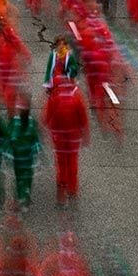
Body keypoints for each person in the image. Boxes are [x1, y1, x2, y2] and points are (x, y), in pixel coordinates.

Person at [44, 76, 90, 205]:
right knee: (72, 161)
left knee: (61, 163)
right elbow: (83, 119)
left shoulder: (54, 97)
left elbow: (47, 117)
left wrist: (46, 131)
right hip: (73, 138)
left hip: (58, 138)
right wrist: (85, 134)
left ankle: (62, 186)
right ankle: (72, 189)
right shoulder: (77, 98)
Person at [6, 102, 41, 209]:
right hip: (28, 158)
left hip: (17, 158)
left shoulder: (15, 123)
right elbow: (36, 141)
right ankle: (26, 196)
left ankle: (19, 199)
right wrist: (36, 151)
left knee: (18, 178)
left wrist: (8, 152)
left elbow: (9, 138)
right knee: (27, 178)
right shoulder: (31, 124)